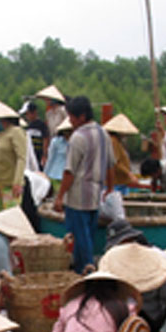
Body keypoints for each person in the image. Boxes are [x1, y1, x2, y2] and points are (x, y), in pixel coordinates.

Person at [53, 96, 114, 273]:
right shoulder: (104, 134)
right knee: (89, 236)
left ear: (81, 116)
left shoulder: (78, 137)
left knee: (79, 239)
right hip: (95, 195)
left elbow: (69, 171)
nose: (70, 121)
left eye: (71, 117)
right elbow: (110, 165)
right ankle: (88, 269)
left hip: (78, 196)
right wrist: (109, 188)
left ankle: (86, 271)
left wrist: (59, 196)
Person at [103, 113, 141, 190]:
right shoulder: (113, 141)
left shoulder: (117, 142)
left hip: (120, 181)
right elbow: (115, 162)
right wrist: (129, 174)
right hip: (116, 182)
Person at [44, 118, 71, 193]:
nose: (67, 133)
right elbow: (51, 158)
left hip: (70, 175)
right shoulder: (56, 142)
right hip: (55, 174)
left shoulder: (77, 142)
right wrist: (45, 174)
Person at [21, 100, 49, 169]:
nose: (27, 116)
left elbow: (45, 139)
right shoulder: (27, 127)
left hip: (39, 153)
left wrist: (44, 155)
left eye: (27, 114)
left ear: (34, 112)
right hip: (31, 153)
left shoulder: (41, 125)